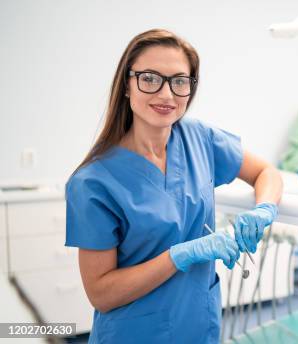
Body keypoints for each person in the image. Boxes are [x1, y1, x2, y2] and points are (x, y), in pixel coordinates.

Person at [65, 28, 283, 343]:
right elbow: (101, 293)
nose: (167, 95)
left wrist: (264, 208)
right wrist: (178, 256)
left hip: (198, 324)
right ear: (127, 84)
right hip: (136, 333)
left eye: (179, 81)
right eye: (150, 78)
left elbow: (267, 173)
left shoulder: (201, 139)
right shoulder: (93, 183)